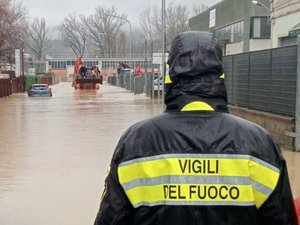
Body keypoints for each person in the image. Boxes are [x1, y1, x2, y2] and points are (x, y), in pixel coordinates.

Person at [94, 31, 298, 225]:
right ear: (221, 77)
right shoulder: (260, 144)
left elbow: (110, 219)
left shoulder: (135, 142)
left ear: (170, 77)